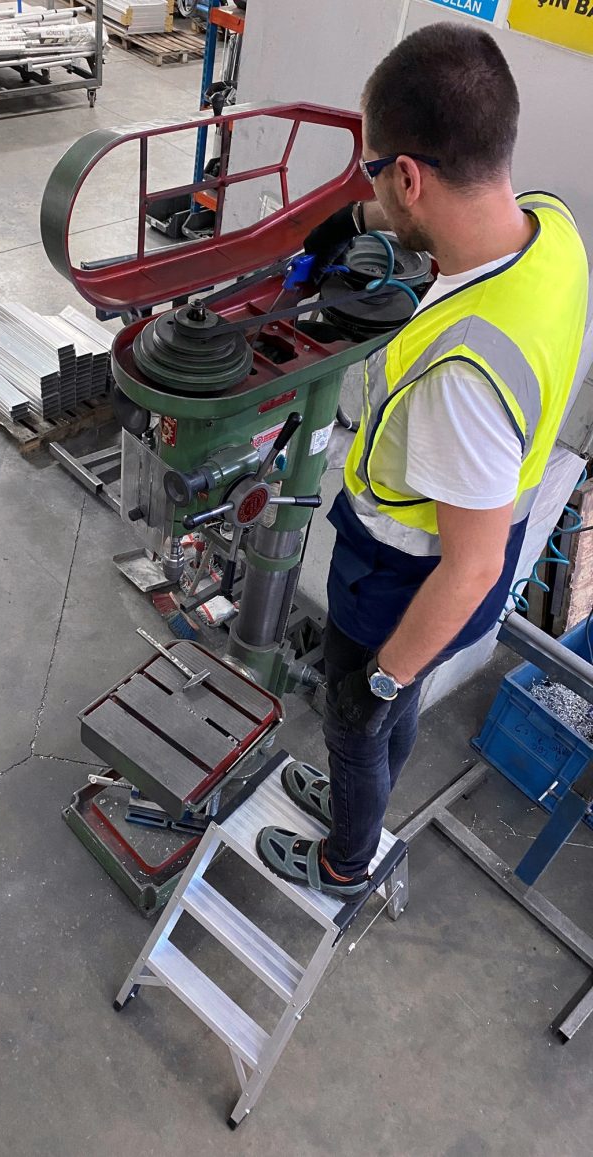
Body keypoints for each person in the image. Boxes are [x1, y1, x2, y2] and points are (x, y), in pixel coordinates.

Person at [255, 22, 589, 900]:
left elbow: (467, 568)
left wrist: (381, 675)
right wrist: (358, 219)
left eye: (375, 174)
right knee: (386, 718)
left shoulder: (463, 378)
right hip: (471, 557)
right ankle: (360, 802)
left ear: (410, 174)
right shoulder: (552, 232)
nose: (371, 189)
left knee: (358, 719)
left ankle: (345, 862)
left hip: (407, 581)